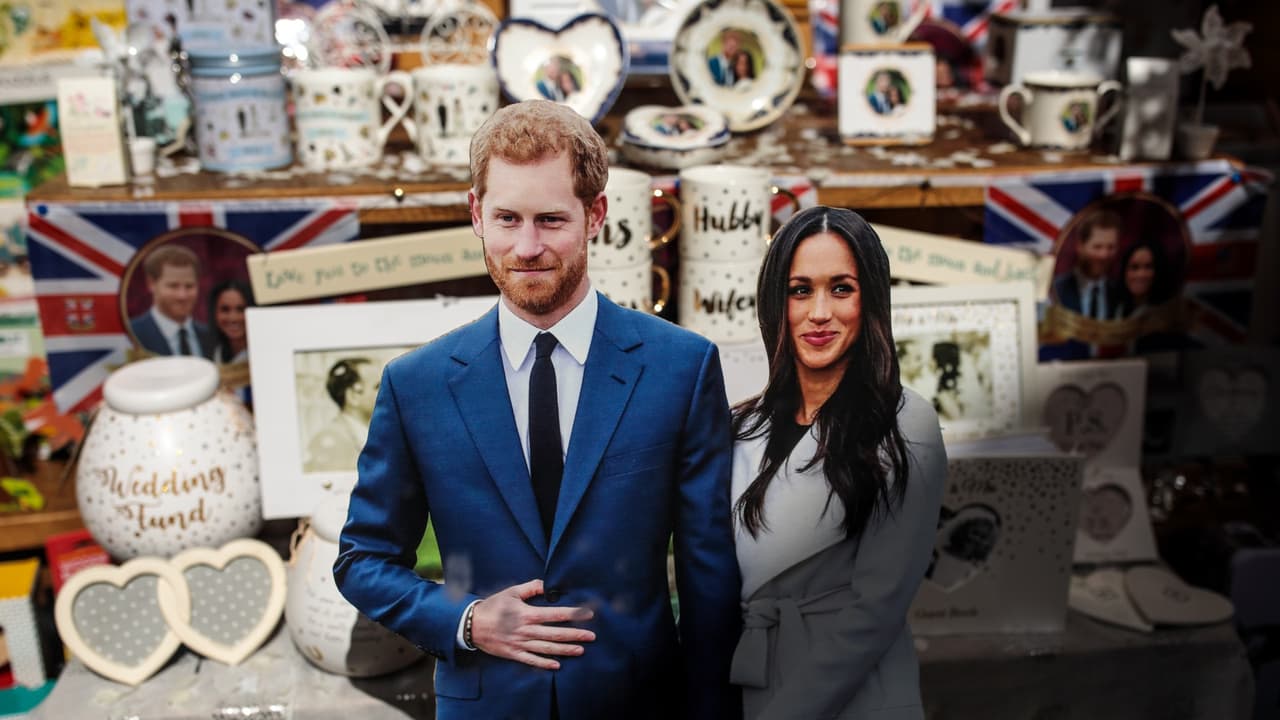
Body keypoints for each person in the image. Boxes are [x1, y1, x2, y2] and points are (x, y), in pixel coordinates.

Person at [335, 99, 741, 719]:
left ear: (595, 215)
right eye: (507, 218)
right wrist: (468, 620)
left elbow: (708, 576)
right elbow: (363, 560)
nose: (527, 247)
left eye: (551, 220)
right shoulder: (416, 385)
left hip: (637, 703)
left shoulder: (680, 369)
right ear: (476, 214)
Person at [729, 206, 947, 719]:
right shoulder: (743, 424)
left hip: (854, 694)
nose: (820, 312)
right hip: (747, 679)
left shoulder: (905, 423)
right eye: (800, 290)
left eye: (841, 288)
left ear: (870, 299)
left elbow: (877, 609)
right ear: (775, 302)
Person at [129, 244, 214, 357]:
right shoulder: (130, 335)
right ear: (151, 284)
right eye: (173, 286)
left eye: (189, 286)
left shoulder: (212, 337)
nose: (182, 296)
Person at [305, 357, 379, 473]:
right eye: (378, 387)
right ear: (353, 396)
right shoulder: (332, 441)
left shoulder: (370, 433)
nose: (387, 392)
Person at [1052, 209, 1121, 320]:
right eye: (1097, 247)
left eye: (1111, 247)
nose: (1104, 255)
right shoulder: (1057, 289)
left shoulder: (1120, 294)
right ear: (1080, 246)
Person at [208, 279, 254, 364]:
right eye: (225, 309)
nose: (233, 318)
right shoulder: (211, 353)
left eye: (240, 309)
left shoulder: (267, 354)